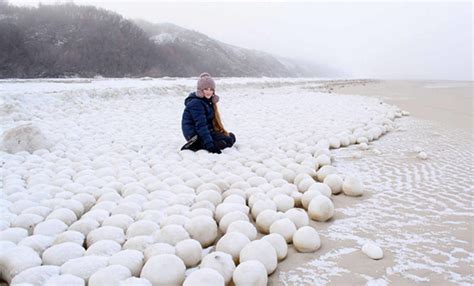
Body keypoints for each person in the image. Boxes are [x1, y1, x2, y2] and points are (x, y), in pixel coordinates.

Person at [181, 73, 236, 154]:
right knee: (225, 141)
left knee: (230, 138)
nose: (209, 92)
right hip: (194, 134)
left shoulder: (207, 102)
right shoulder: (196, 103)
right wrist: (209, 145)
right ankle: (197, 144)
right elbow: (201, 125)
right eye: (206, 89)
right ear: (200, 90)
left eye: (211, 89)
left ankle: (204, 142)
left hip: (205, 131)